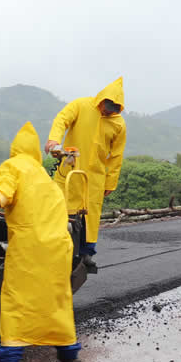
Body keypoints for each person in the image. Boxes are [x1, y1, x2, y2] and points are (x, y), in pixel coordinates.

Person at [0, 122, 80, 362]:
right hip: (59, 245)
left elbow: (2, 192)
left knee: (18, 298)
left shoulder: (13, 165)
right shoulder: (42, 175)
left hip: (31, 246)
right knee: (56, 298)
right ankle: (69, 354)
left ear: (16, 150)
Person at [46, 77, 126, 272]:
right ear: (101, 99)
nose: (108, 110)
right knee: (63, 210)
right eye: (107, 105)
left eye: (114, 108)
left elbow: (116, 156)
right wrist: (54, 140)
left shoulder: (119, 124)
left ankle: (87, 253)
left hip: (95, 177)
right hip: (69, 170)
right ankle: (57, 250)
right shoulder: (81, 105)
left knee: (90, 215)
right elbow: (62, 119)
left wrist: (110, 182)